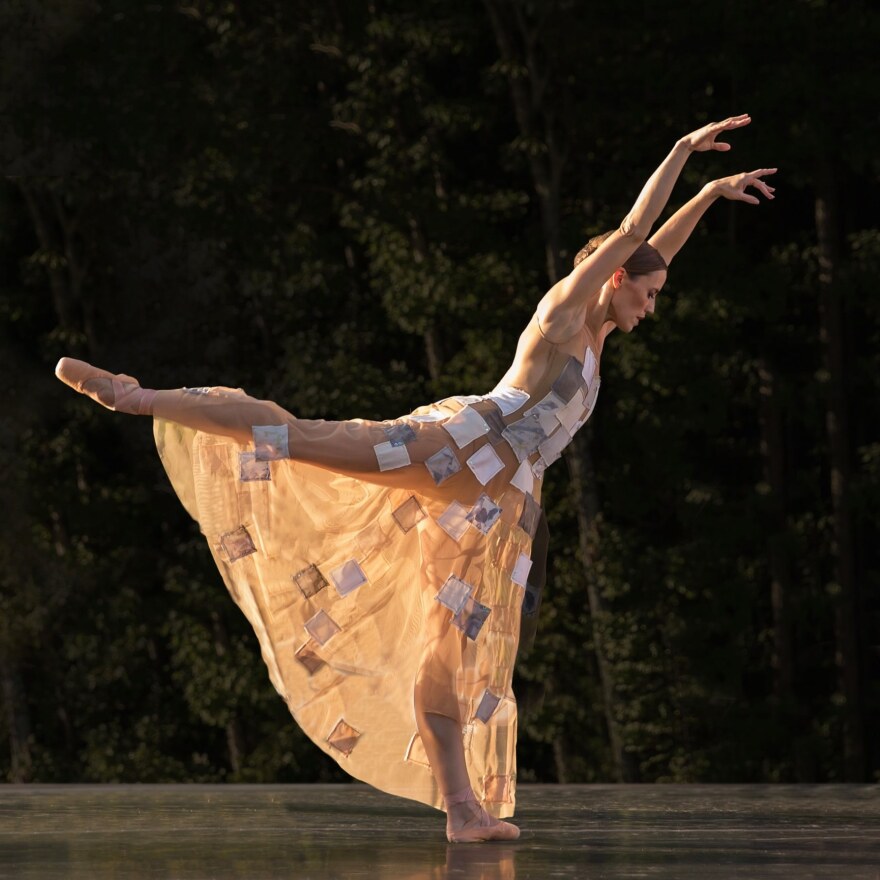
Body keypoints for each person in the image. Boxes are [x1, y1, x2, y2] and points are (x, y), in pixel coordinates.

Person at [55, 115, 774, 843]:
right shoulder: (562, 319)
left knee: (452, 648)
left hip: (494, 507)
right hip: (455, 451)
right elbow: (631, 233)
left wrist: (710, 195)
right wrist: (683, 153)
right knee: (302, 438)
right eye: (646, 295)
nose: (651, 310)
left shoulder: (599, 339)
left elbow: (653, 250)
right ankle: (136, 395)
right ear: (615, 278)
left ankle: (463, 812)